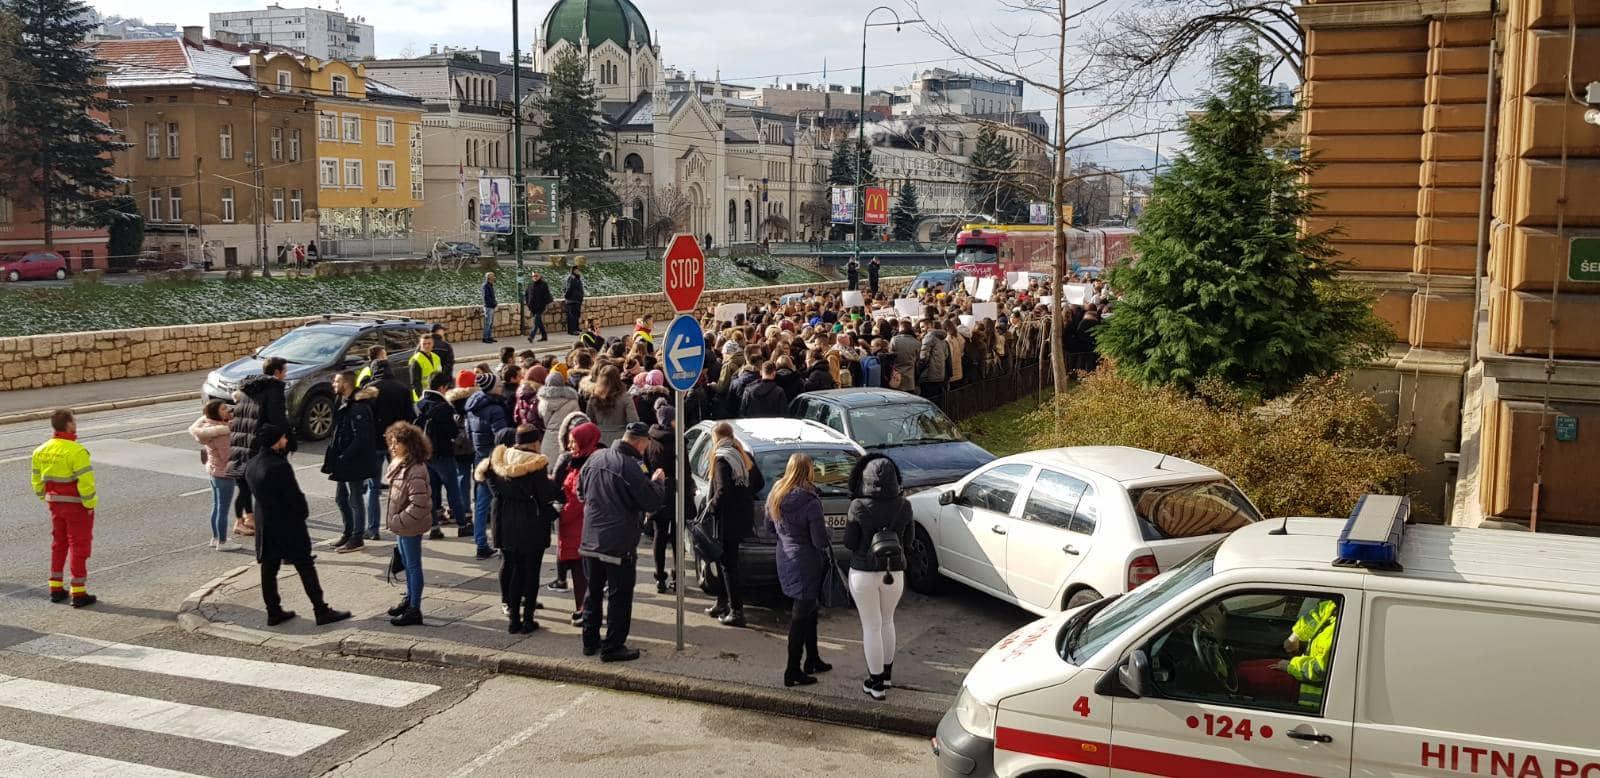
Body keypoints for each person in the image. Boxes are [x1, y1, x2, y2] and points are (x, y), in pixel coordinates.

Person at [245, 424, 351, 627]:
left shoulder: (252, 464)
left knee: (269, 568)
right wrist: (302, 514)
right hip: (287, 525)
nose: (286, 441)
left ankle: (273, 611)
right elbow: (294, 497)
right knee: (305, 565)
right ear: (277, 441)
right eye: (283, 438)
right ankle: (321, 609)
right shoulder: (279, 466)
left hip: (265, 524)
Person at [577, 422, 666, 662]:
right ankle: (613, 646)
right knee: (619, 594)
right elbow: (651, 502)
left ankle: (589, 641)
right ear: (639, 442)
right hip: (618, 543)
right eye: (646, 444)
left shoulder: (596, 457)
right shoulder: (629, 466)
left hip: (590, 539)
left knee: (593, 592)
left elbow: (580, 491)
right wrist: (658, 482)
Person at [843, 453, 912, 700]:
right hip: (894, 572)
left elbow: (849, 542)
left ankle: (876, 683)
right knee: (887, 621)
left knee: (870, 626)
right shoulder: (904, 505)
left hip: (863, 571)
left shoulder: (858, 506)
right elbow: (910, 542)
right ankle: (887, 675)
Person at [477, 424, 558, 633]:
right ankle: (528, 619)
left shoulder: (498, 461)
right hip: (531, 523)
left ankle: (513, 619)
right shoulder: (536, 464)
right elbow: (545, 496)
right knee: (531, 572)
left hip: (504, 522)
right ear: (535, 442)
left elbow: (493, 488)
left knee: (514, 569)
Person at [769, 452, 833, 687]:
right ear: (809, 471)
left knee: (809, 609)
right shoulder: (810, 501)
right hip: (806, 561)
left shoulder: (776, 492)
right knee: (801, 614)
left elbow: (769, 527)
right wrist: (828, 534)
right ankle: (792, 670)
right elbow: (819, 540)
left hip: (785, 556)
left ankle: (813, 658)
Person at [32, 409, 99, 607]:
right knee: (79, 547)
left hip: (55, 504)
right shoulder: (76, 451)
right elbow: (86, 483)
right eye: (74, 421)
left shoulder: (40, 450)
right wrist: (89, 505)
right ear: (69, 425)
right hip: (76, 506)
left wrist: (46, 497)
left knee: (58, 544)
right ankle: (78, 593)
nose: (75, 424)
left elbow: (36, 480)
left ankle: (55, 588)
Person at [705, 422, 764, 627]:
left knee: (727, 565)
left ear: (717, 438)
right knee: (726, 562)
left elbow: (722, 490)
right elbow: (759, 483)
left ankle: (736, 611)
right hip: (743, 516)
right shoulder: (743, 455)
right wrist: (744, 495)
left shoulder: (722, 458)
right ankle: (722, 603)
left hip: (727, 520)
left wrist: (712, 507)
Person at [226, 357, 293, 538]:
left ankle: (247, 519)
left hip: (240, 442)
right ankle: (266, 524)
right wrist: (287, 441)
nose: (285, 375)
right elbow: (277, 420)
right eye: (284, 371)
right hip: (259, 445)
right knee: (266, 486)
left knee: (244, 483)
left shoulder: (248, 388)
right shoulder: (274, 389)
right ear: (277, 372)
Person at [1235, 599, 1339, 708]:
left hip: (1308, 688)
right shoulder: (1336, 604)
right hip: (1300, 670)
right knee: (1241, 667)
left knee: (1243, 677)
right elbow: (1318, 613)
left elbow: (1319, 670)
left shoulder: (1343, 629)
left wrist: (1290, 666)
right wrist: (1296, 636)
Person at [322, 371, 380, 553]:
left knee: (355, 499)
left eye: (336, 380)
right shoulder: (343, 402)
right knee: (341, 498)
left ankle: (357, 537)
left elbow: (361, 437)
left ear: (346, 384)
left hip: (354, 462)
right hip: (343, 461)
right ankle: (348, 532)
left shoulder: (358, 407)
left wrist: (344, 456)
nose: (333, 383)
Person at [383, 422, 433, 627]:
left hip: (409, 525)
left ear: (409, 444)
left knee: (413, 567)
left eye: (397, 443)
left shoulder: (415, 469)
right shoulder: (401, 464)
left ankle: (415, 608)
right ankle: (410, 600)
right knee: (407, 564)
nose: (392, 447)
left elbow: (420, 502)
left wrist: (399, 519)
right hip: (402, 525)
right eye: (391, 442)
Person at [360, 360, 415, 541]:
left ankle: (373, 528)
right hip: (397, 445)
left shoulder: (369, 389)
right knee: (399, 485)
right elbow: (410, 417)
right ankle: (397, 522)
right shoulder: (402, 388)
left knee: (373, 488)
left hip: (375, 444)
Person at [548, 415, 596, 611]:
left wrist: (558, 515)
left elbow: (577, 500)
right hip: (578, 527)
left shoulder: (583, 465)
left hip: (579, 527)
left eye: (573, 442)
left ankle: (585, 611)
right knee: (582, 574)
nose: (569, 446)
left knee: (583, 574)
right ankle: (583, 609)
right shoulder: (578, 460)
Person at [416, 372, 470, 542]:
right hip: (443, 454)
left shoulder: (420, 404)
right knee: (453, 490)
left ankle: (434, 527)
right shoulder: (444, 407)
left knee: (431, 492)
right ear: (442, 387)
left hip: (426, 455)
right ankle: (462, 525)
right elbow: (453, 433)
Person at [465, 370, 512, 559]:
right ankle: (503, 542)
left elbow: (469, 433)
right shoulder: (496, 409)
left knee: (481, 502)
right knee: (501, 502)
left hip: (479, 457)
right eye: (499, 385)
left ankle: (480, 543)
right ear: (492, 389)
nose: (501, 387)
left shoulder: (472, 406)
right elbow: (501, 436)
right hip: (495, 459)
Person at [642, 400, 686, 594]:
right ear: (670, 421)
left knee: (659, 535)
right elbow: (684, 469)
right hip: (675, 491)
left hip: (657, 491)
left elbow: (644, 466)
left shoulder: (650, 441)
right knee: (677, 537)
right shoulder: (677, 441)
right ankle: (678, 577)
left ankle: (660, 578)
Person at [190, 400, 243, 552]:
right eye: (223, 408)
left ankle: (215, 538)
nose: (228, 410)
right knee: (223, 509)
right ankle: (223, 541)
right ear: (216, 413)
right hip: (224, 473)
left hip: (214, 470)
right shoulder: (222, 434)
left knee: (216, 506)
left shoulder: (207, 427)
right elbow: (228, 456)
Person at [584, 364, 640, 445]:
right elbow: (634, 421)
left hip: (599, 439)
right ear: (617, 378)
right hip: (621, 439)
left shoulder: (594, 398)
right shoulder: (625, 397)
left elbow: (589, 420)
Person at [537, 373, 581, 462]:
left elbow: (540, 416)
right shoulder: (572, 401)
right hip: (566, 438)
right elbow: (577, 421)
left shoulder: (542, 402)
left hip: (548, 438)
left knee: (548, 465)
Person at [918, 318, 952, 401]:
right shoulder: (942, 338)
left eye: (922, 327)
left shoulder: (928, 337)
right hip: (940, 375)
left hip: (929, 376)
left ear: (929, 326)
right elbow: (946, 355)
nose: (921, 330)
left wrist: (918, 371)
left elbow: (923, 358)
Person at [409, 332, 443, 402]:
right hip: (423, 397)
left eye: (429, 343)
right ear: (420, 345)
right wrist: (422, 398)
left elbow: (440, 376)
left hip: (436, 394)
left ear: (433, 344)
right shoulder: (416, 360)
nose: (427, 346)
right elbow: (415, 383)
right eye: (424, 344)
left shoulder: (436, 357)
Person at [889, 320, 921, 395]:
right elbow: (918, 359)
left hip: (896, 377)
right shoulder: (917, 342)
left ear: (901, 328)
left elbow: (890, 356)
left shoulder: (894, 340)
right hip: (910, 379)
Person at [525, 270, 553, 342]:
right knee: (539, 322)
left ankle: (531, 336)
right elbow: (527, 294)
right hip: (532, 307)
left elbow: (547, 295)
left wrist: (545, 305)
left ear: (539, 276)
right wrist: (528, 304)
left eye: (536, 276)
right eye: (533, 276)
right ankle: (544, 336)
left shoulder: (543, 284)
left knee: (536, 321)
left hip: (540, 307)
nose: (535, 277)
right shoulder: (530, 284)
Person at [563, 266, 585, 336]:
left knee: (576, 315)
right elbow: (568, 289)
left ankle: (576, 328)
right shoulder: (571, 278)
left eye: (578, 270)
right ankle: (572, 330)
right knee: (572, 316)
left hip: (577, 300)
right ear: (574, 271)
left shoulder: (577, 278)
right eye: (577, 270)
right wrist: (567, 296)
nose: (578, 271)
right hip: (572, 300)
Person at [481, 271, 499, 343]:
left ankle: (489, 336)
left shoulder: (490, 285)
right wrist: (493, 303)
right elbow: (486, 297)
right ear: (489, 278)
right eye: (493, 276)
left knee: (490, 323)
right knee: (488, 323)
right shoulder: (485, 286)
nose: (494, 278)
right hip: (488, 307)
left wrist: (494, 303)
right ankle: (485, 338)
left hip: (491, 306)